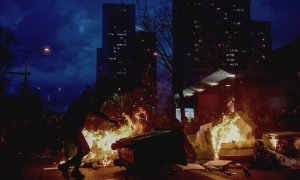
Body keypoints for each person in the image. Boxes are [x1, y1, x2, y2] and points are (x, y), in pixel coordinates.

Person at [58, 91, 118, 179]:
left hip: (72, 130)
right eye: (90, 98)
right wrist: (110, 120)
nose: (91, 100)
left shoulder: (77, 103)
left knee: (81, 150)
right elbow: (98, 112)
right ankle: (66, 166)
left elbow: (67, 117)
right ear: (87, 98)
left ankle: (75, 171)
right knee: (85, 149)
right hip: (73, 130)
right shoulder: (84, 104)